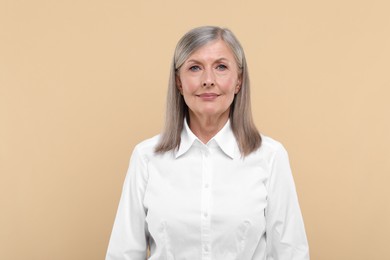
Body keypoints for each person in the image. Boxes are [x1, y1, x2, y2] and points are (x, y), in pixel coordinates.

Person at [106, 26, 309, 260]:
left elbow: (291, 253)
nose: (208, 80)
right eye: (195, 68)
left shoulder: (270, 156)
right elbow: (123, 254)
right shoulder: (146, 157)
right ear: (179, 83)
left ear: (238, 81)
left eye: (221, 67)